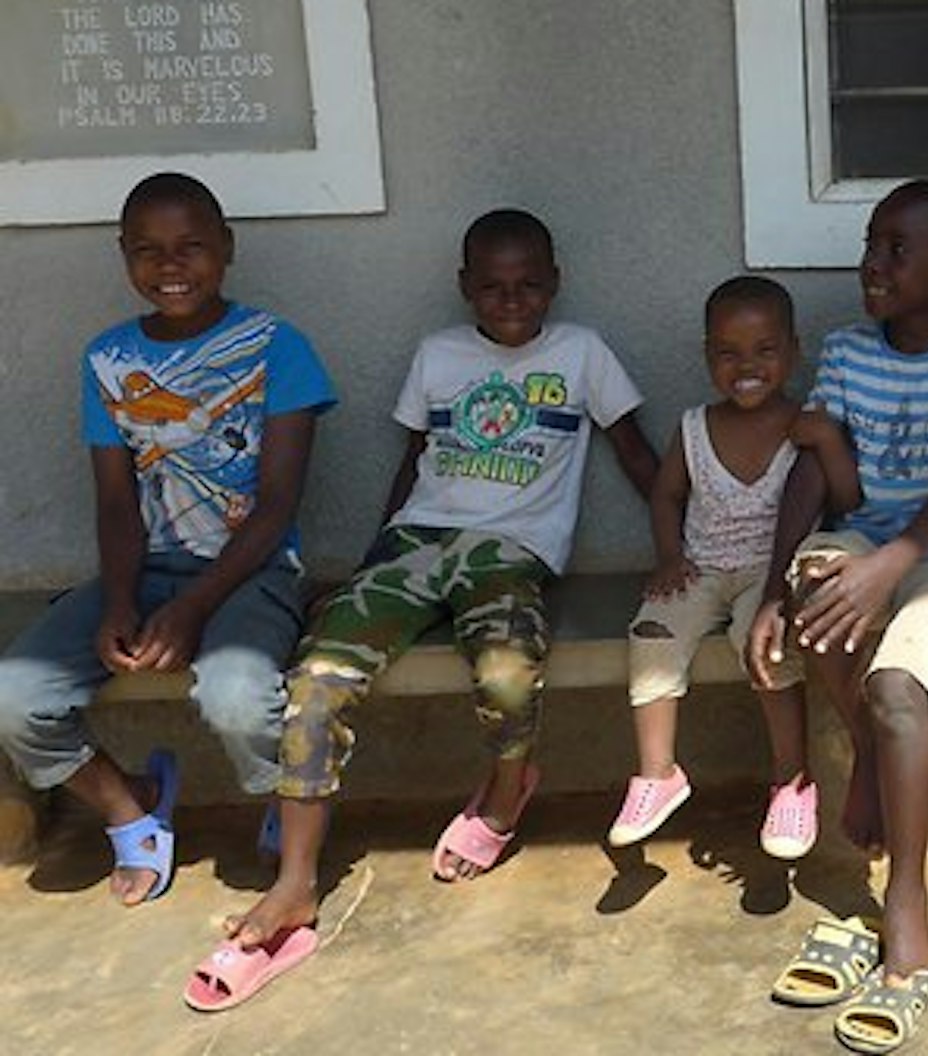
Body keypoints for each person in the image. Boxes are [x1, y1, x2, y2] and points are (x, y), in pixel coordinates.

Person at [194, 208, 658, 1011]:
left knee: (509, 675)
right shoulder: (438, 355)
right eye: (492, 286)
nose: (511, 300)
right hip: (417, 543)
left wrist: (682, 550)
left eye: (529, 285)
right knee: (317, 681)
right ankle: (297, 883)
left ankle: (508, 787)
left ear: (555, 282)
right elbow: (414, 461)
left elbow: (637, 453)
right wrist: (376, 567)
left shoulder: (582, 353)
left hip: (509, 552)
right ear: (463, 287)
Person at [0, 172, 335, 909]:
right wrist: (120, 599)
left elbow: (277, 505)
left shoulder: (278, 347)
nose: (171, 266)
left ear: (227, 249)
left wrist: (194, 609)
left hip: (252, 573)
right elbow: (116, 502)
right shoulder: (107, 360)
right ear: (124, 256)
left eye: (191, 247)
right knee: (14, 695)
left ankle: (284, 798)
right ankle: (132, 806)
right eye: (148, 251)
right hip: (147, 571)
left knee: (237, 694)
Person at [747, 179, 928, 1053]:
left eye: (898, 250)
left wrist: (892, 568)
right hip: (864, 535)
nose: (874, 263)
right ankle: (868, 753)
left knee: (900, 682)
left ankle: (905, 901)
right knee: (816, 588)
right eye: (872, 243)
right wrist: (770, 590)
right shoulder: (842, 351)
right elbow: (810, 471)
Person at [611, 276, 835, 859]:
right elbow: (666, 495)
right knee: (652, 630)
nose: (747, 366)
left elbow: (841, 497)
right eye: (728, 353)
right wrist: (669, 557)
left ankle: (792, 781)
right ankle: (658, 775)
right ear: (707, 356)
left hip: (771, 573)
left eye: (765, 350)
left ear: (793, 351)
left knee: (759, 642)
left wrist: (829, 443)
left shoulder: (804, 425)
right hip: (701, 567)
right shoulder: (693, 428)